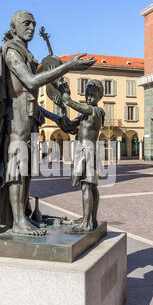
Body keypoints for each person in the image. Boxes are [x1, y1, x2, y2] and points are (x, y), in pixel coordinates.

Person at [0, 10, 96, 236]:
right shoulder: (12, 51)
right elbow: (31, 81)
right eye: (26, 24)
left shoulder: (27, 55)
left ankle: (20, 215)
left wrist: (57, 118)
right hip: (16, 124)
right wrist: (68, 66)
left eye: (33, 23)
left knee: (27, 171)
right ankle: (18, 221)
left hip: (29, 120)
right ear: (14, 28)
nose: (31, 27)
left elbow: (32, 99)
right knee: (17, 170)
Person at [62, 79, 105, 233]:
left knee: (86, 186)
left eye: (93, 95)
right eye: (87, 95)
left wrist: (66, 97)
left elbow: (73, 104)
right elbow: (69, 125)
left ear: (100, 96)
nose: (89, 98)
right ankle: (91, 219)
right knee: (92, 187)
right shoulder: (86, 114)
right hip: (89, 150)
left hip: (86, 151)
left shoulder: (94, 111)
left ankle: (86, 223)